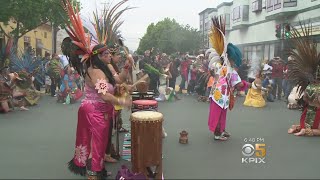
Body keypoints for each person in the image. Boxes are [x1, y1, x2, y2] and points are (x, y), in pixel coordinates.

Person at [207, 17, 244, 141]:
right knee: (218, 115)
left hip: (221, 95)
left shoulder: (224, 66)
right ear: (231, 58)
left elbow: (214, 73)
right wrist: (248, 84)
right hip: (219, 95)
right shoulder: (226, 68)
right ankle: (217, 133)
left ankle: (221, 130)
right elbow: (238, 84)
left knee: (221, 114)